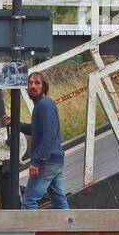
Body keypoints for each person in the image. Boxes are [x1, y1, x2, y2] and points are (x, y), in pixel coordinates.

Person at [18, 71, 68, 210]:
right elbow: (35, 129)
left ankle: (28, 232)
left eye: (37, 83)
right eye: (30, 83)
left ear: (43, 87)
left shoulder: (45, 105)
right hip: (54, 160)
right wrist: (15, 124)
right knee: (60, 203)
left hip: (46, 162)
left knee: (29, 202)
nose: (33, 86)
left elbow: (49, 137)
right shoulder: (40, 105)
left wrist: (36, 161)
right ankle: (70, 230)